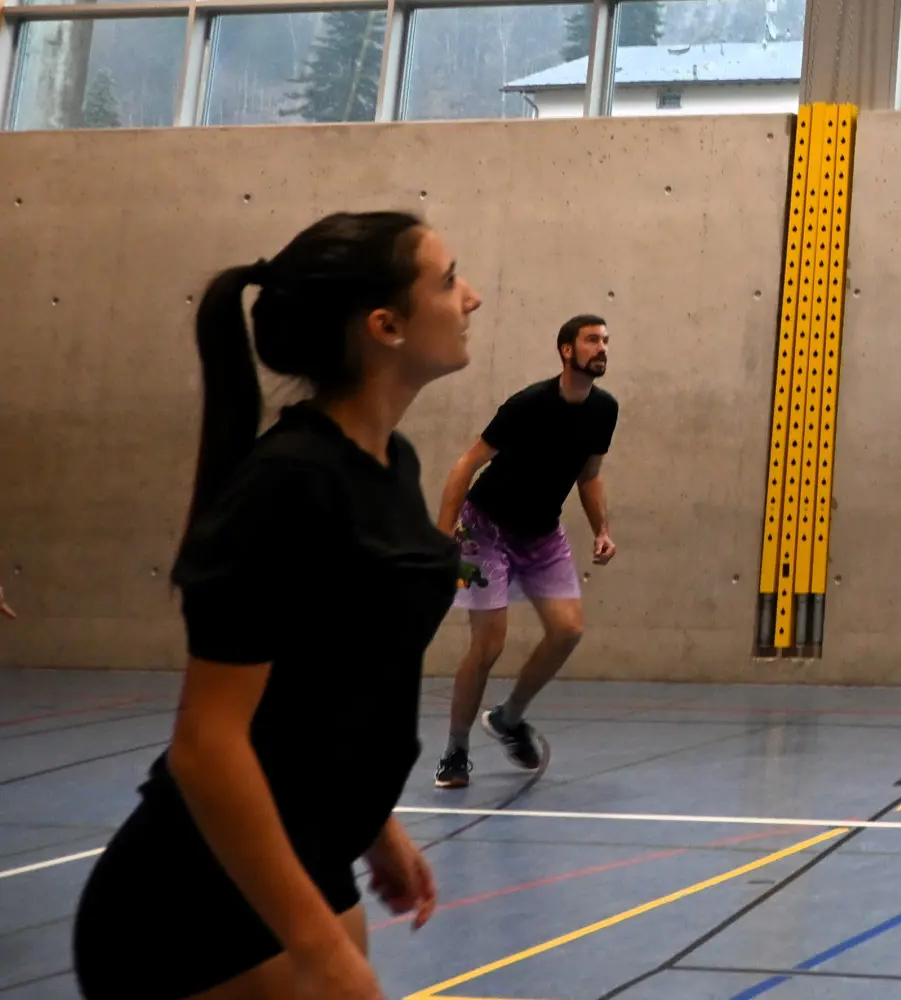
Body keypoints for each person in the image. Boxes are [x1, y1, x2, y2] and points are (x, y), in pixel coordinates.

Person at [73, 212, 478, 1000]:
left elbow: (329, 680)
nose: (473, 296)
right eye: (448, 278)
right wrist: (315, 946)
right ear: (384, 325)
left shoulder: (392, 464)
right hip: (190, 904)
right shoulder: (287, 483)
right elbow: (207, 744)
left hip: (311, 857)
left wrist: (375, 826)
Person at [433, 313, 618, 787]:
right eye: (592, 340)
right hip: (484, 531)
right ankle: (455, 752)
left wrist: (602, 528)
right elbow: (465, 465)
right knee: (488, 645)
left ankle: (509, 718)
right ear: (566, 350)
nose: (601, 348)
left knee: (568, 631)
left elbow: (589, 474)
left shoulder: (604, 410)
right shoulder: (527, 405)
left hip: (541, 534)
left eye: (605, 341)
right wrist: (441, 533)